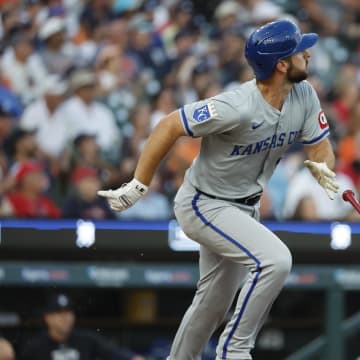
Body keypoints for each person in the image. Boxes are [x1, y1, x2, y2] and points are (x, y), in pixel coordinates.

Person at [98, 20, 339, 360]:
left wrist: (322, 165)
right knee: (276, 261)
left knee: (212, 303)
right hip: (204, 203)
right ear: (282, 64)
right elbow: (169, 125)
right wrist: (140, 183)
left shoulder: (304, 93)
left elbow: (318, 145)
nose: (308, 54)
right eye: (300, 50)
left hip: (245, 207)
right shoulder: (237, 105)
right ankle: (234, 351)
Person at [19, 292, 145, 360]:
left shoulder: (86, 340)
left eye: (68, 313)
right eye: (59, 313)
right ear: (47, 317)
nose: (65, 318)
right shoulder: (35, 346)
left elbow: (120, 355)